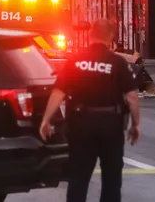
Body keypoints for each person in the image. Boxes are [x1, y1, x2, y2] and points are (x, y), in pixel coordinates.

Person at [39, 19, 140, 202]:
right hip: (110, 125)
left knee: (78, 177)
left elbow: (59, 91)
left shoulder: (75, 61)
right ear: (110, 37)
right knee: (111, 180)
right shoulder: (117, 62)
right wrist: (136, 125)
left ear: (90, 35)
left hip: (80, 125)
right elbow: (132, 97)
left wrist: (46, 119)